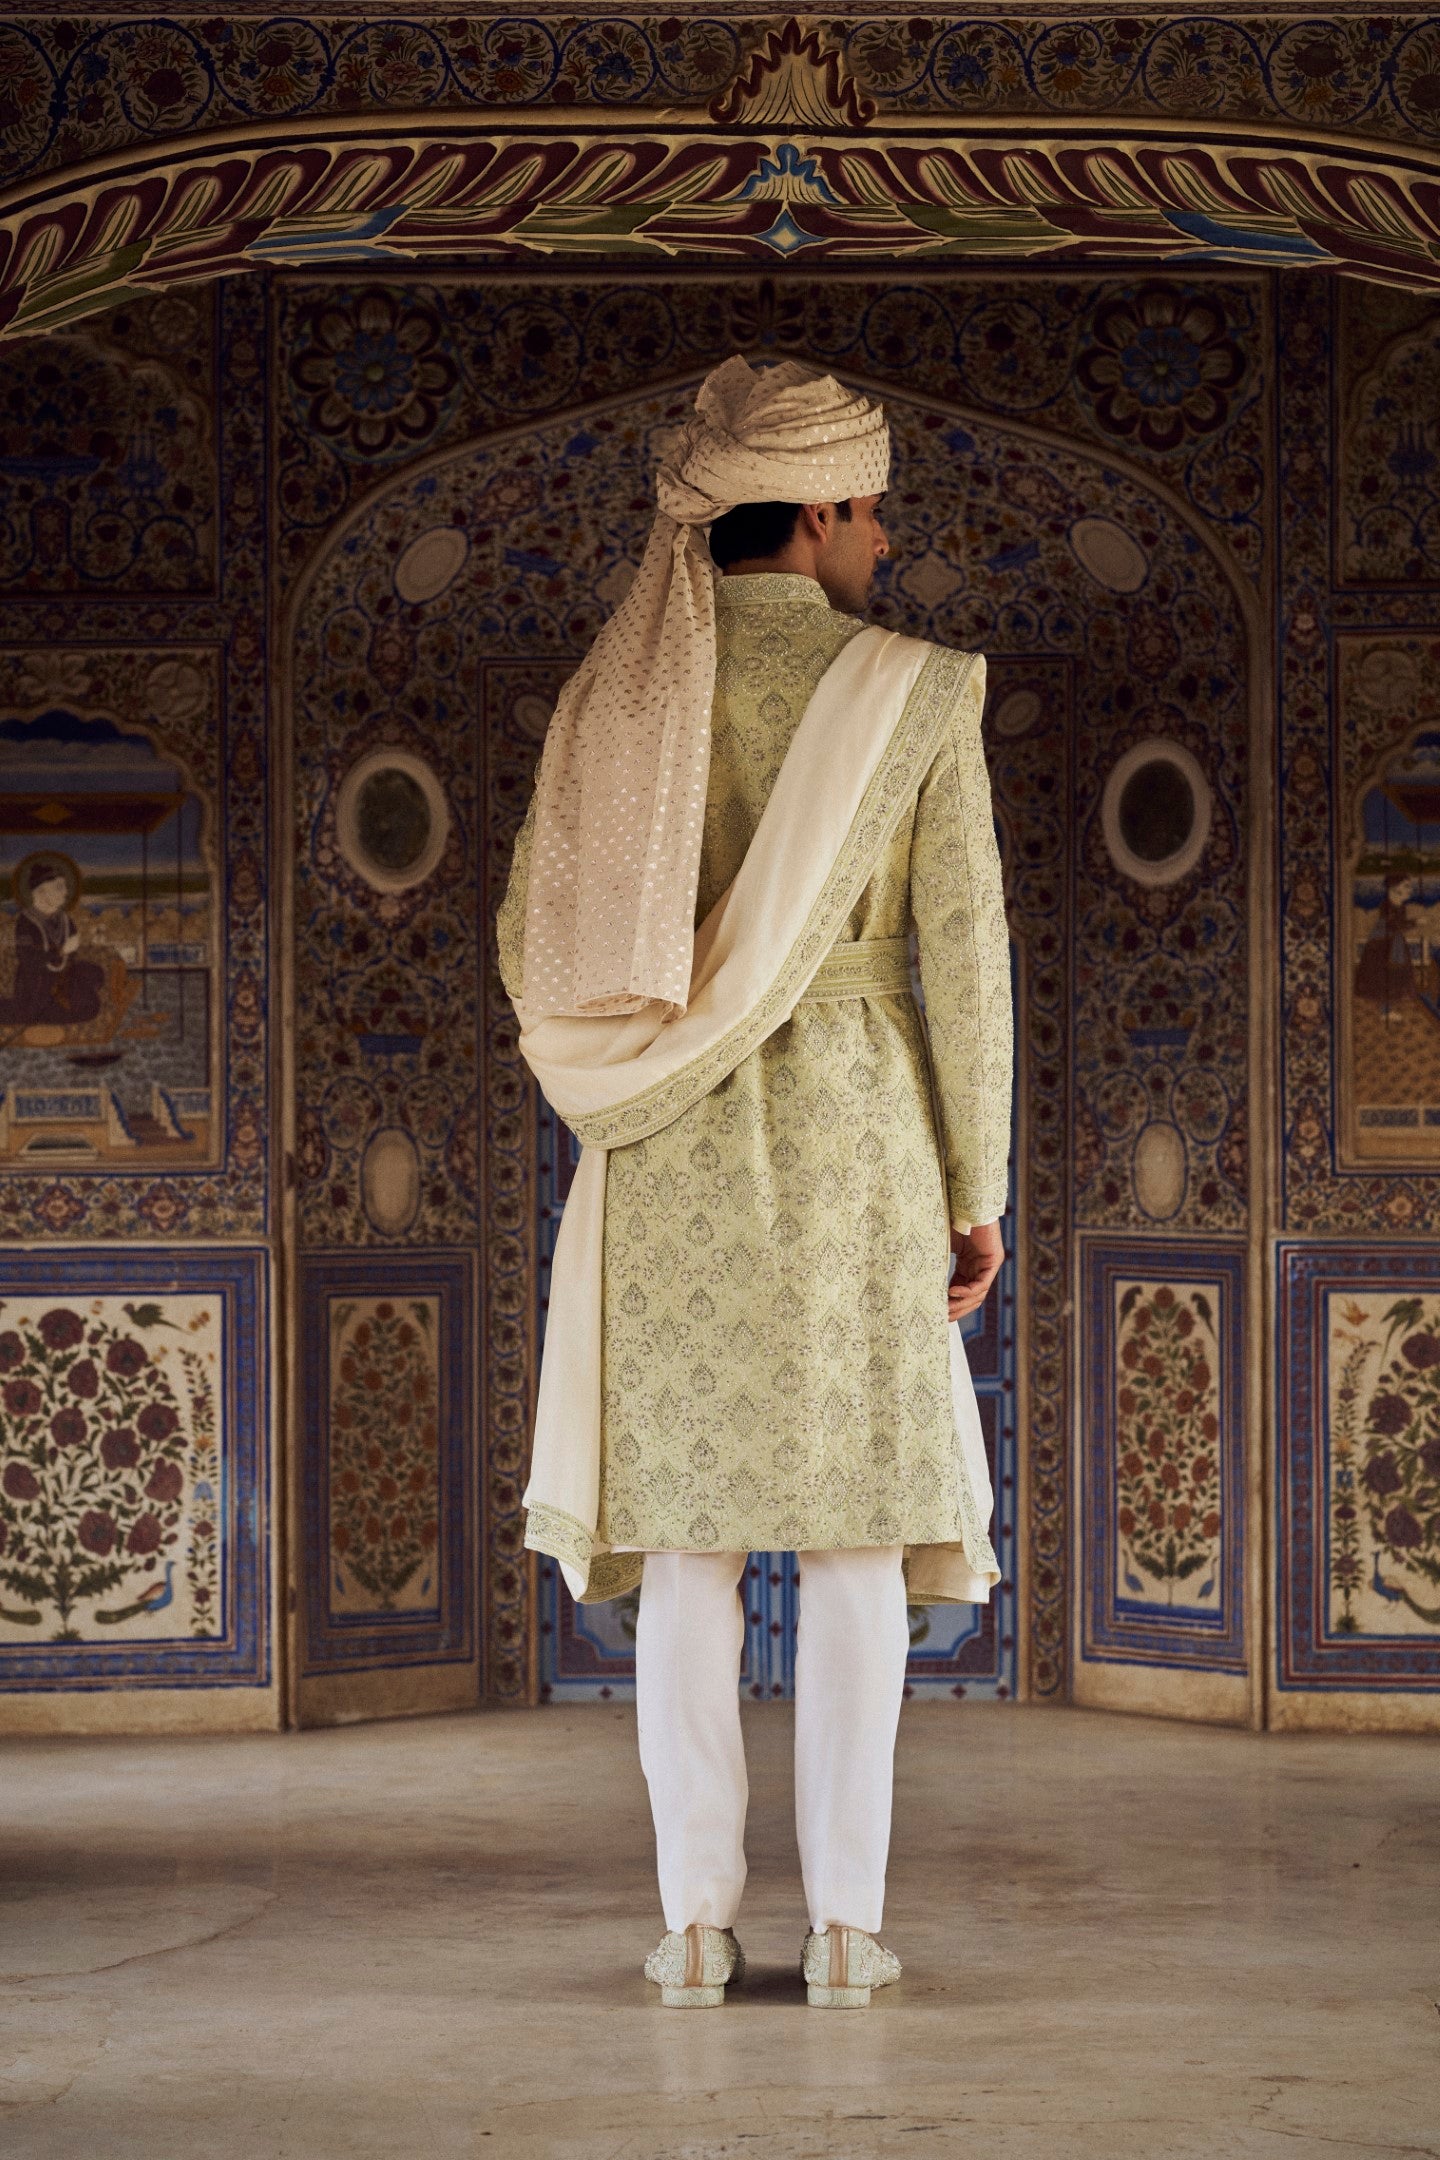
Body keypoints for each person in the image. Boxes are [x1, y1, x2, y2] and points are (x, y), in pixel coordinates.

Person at [497, 356, 1012, 2009]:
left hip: (666, 1155)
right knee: (859, 1548)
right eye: (876, 514)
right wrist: (978, 1185)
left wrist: (652, 1054)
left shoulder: (620, 693)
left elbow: (529, 945)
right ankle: (850, 1926)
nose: (885, 546)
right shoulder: (918, 691)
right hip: (868, 1141)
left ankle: (694, 1927)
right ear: (827, 511)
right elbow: (968, 966)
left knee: (694, 1554)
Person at [0, 862, 105, 1030]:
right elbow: (28, 959)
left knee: (94, 976)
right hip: (36, 985)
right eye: (58, 887)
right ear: (41, 892)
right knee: (82, 1009)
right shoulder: (26, 922)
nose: (65, 893)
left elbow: (71, 958)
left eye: (64, 887)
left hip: (62, 980)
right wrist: (62, 951)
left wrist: (69, 960)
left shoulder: (65, 919)